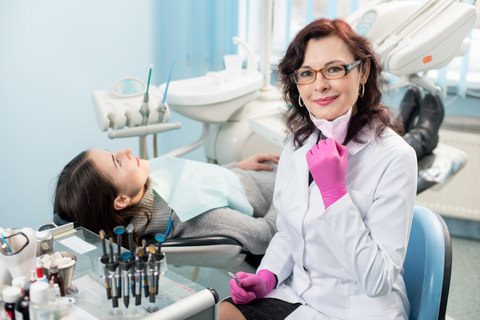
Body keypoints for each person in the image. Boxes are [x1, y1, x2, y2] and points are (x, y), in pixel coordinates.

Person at [220, 18, 417, 320]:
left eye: (334, 69)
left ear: (362, 72)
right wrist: (268, 277)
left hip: (358, 309)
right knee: (225, 312)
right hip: (301, 295)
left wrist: (336, 197)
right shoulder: (298, 145)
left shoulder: (395, 157)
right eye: (307, 74)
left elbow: (377, 281)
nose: (320, 84)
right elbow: (288, 232)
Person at [53, 150, 279, 255]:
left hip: (257, 176)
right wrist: (289, 188)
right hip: (284, 195)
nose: (126, 151)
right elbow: (263, 237)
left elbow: (195, 179)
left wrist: (236, 167)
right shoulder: (190, 213)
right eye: (117, 162)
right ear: (121, 200)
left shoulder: (142, 190)